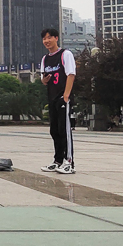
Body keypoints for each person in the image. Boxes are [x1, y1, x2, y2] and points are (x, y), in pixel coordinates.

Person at [38, 27, 76, 174]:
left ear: (56, 38)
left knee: (64, 130)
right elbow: (43, 80)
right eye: (44, 39)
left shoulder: (65, 54)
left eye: (49, 37)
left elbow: (71, 74)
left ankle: (69, 162)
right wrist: (45, 80)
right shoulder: (45, 59)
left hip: (62, 98)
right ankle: (57, 160)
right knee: (54, 131)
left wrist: (66, 96)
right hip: (52, 98)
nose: (46, 41)